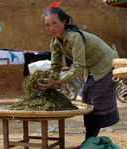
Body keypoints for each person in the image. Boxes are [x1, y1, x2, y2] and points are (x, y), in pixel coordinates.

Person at [38, 7, 120, 149]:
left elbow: (78, 65)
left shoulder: (74, 37)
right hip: (92, 67)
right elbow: (56, 65)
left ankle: (89, 143)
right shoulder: (55, 42)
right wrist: (49, 80)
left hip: (106, 64)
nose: (51, 28)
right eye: (47, 25)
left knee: (95, 101)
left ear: (63, 22)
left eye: (54, 23)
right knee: (86, 99)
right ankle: (88, 142)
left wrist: (59, 81)